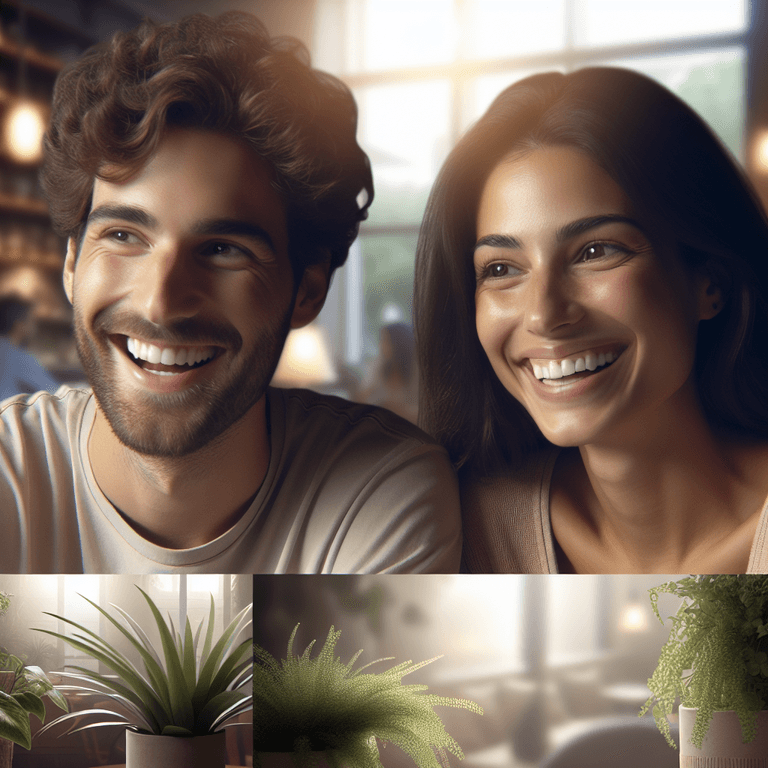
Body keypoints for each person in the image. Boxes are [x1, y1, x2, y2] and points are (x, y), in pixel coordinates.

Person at [0, 11, 461, 574]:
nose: (160, 303)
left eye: (223, 249)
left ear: (306, 291)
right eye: (123, 235)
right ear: (72, 264)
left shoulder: (379, 493)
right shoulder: (9, 470)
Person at [414, 67, 768, 574]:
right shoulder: (460, 530)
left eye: (595, 251)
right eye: (501, 269)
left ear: (708, 283)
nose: (544, 313)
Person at [0, 297, 60, 400]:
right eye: (31, 321)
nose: (34, 327)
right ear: (19, 325)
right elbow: (55, 393)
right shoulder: (18, 357)